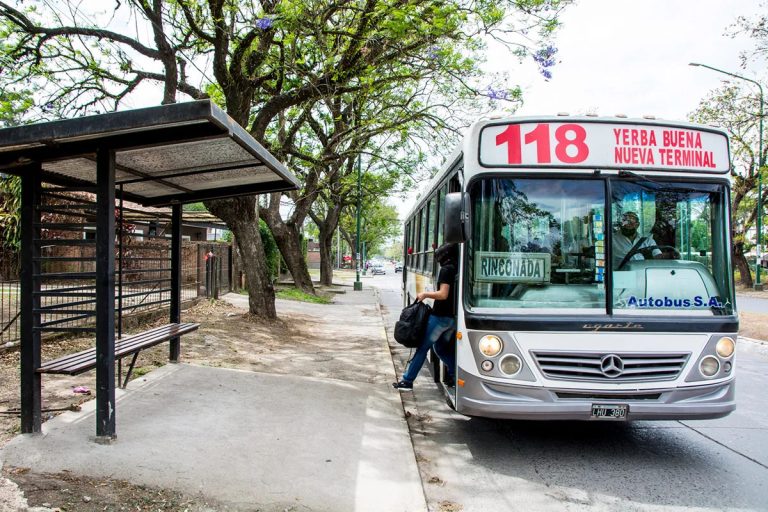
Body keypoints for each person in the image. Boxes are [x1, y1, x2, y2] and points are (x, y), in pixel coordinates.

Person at [393, 243, 458, 390]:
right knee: (441, 349)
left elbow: (443, 294)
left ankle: (407, 381)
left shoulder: (446, 270)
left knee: (422, 348)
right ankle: (455, 377)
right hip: (451, 319)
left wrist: (425, 294)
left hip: (440, 317)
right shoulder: (458, 269)